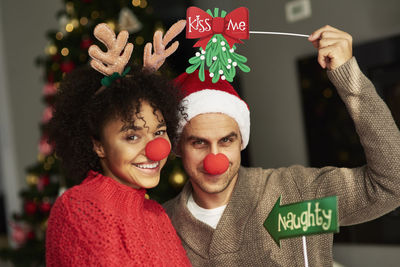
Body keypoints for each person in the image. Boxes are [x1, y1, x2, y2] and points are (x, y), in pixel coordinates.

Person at [163, 25, 400, 266]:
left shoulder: (299, 195)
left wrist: (350, 79)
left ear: (241, 140)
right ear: (178, 146)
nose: (215, 158)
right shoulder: (160, 224)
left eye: (226, 140)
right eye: (199, 143)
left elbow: (391, 185)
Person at [46, 22, 191, 266]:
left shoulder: (157, 215)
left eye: (159, 131)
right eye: (132, 136)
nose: (154, 149)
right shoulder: (78, 208)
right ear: (98, 145)